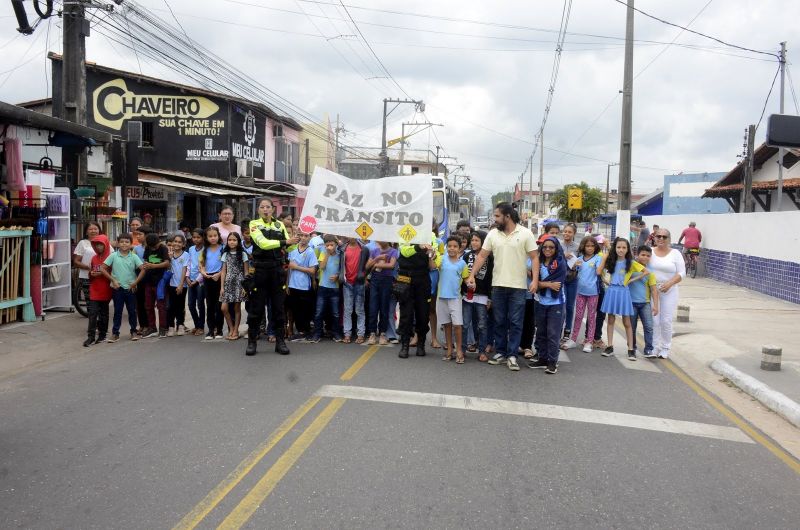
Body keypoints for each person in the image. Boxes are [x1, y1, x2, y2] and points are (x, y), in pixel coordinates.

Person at [466, 202, 538, 372]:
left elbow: (534, 257)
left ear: (507, 216)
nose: (495, 219)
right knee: (498, 321)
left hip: (518, 287)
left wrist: (534, 280)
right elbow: (482, 256)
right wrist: (471, 275)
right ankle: (501, 353)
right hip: (497, 286)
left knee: (515, 322)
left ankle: (512, 355)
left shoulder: (526, 233)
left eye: (497, 216)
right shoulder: (492, 234)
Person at [245, 198, 296, 356]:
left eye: (268, 207)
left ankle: (280, 341)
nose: (265, 209)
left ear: (273, 209)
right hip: (260, 270)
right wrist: (285, 241)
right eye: (262, 207)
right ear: (258, 210)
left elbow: (289, 248)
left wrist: (295, 239)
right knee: (257, 308)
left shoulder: (279, 225)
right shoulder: (254, 224)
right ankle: (252, 341)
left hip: (277, 270)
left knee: (279, 308)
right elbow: (263, 243)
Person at [599, 238, 643, 361]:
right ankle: (610, 346)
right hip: (612, 291)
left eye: (624, 247)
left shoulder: (631, 262)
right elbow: (599, 271)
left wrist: (630, 280)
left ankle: (630, 349)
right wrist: (604, 280)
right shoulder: (611, 261)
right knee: (611, 320)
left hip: (624, 292)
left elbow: (646, 272)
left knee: (627, 322)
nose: (621, 250)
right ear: (615, 248)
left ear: (628, 249)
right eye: (618, 247)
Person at [528, 235, 566, 374]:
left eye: (551, 247)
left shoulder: (561, 263)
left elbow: (558, 285)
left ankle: (552, 362)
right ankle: (542, 358)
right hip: (541, 301)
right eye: (545, 247)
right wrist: (547, 284)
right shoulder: (537, 262)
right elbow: (534, 283)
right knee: (541, 332)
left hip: (556, 303)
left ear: (556, 249)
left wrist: (540, 284)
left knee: (553, 334)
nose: (547, 249)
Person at [397, 230, 438, 359]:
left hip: (422, 277)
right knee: (406, 313)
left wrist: (431, 253)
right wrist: (418, 246)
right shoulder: (405, 231)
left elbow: (434, 254)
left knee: (423, 313)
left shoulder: (430, 235)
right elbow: (404, 251)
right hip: (405, 277)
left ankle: (421, 344)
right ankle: (405, 345)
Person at [562, 235, 603, 353]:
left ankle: (589, 341)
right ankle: (573, 339)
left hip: (593, 293)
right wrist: (574, 267)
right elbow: (574, 272)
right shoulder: (579, 258)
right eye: (587, 246)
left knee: (591, 317)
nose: (589, 248)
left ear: (595, 247)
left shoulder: (597, 258)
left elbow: (598, 272)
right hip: (580, 292)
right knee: (578, 316)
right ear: (583, 247)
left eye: (592, 246)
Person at [649, 228, 685, 359]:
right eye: (659, 236)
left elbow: (682, 273)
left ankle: (665, 347)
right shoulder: (650, 252)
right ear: (654, 237)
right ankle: (654, 347)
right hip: (653, 291)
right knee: (655, 320)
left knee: (666, 320)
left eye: (664, 237)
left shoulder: (675, 253)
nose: (661, 239)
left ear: (669, 239)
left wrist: (670, 283)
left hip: (670, 291)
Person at [101, 233, 143, 342]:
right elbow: (102, 268)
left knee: (132, 311)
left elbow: (143, 269)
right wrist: (113, 280)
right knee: (117, 311)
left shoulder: (133, 256)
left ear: (131, 244)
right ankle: (115, 333)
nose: (124, 244)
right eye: (122, 242)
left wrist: (135, 282)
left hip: (130, 289)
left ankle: (133, 331)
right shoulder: (114, 255)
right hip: (117, 288)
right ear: (118, 243)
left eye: (127, 242)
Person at [435, 236, 470, 363]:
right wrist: (431, 255)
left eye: (455, 246)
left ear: (459, 248)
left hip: (455, 298)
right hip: (442, 297)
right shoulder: (441, 259)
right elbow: (433, 265)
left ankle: (459, 349)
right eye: (449, 246)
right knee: (446, 325)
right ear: (446, 247)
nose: (452, 248)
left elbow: (466, 279)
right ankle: (449, 349)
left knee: (457, 325)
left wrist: (471, 283)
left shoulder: (462, 264)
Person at [462, 231, 492, 362]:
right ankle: (462, 349)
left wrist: (490, 298)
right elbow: (462, 275)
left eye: (477, 240)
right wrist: (466, 283)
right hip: (466, 295)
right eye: (472, 240)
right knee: (465, 324)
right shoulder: (466, 256)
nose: (474, 242)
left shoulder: (489, 258)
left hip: (483, 295)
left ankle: (482, 350)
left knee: (482, 325)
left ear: (483, 242)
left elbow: (491, 278)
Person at [136, 232, 170, 339]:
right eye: (152, 247)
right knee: (148, 305)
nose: (154, 249)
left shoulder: (163, 248)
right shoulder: (148, 248)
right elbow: (145, 262)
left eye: (155, 246)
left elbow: (167, 263)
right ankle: (152, 327)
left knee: (161, 306)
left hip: (160, 281)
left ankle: (163, 328)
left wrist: (153, 266)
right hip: (148, 281)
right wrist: (146, 266)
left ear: (158, 242)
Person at [311, 234, 343, 343]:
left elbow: (342, 270)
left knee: (335, 313)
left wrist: (337, 276)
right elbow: (321, 267)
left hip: (335, 288)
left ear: (336, 245)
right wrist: (328, 254)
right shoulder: (323, 253)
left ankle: (336, 333)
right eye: (327, 245)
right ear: (325, 245)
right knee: (319, 312)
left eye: (332, 245)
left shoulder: (340, 255)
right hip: (323, 287)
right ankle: (317, 333)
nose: (330, 246)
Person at [366, 240, 399, 345]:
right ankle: (372, 333)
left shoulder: (393, 251)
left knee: (384, 308)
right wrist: (377, 259)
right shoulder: (375, 251)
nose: (380, 241)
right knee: (373, 307)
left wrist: (375, 265)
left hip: (387, 280)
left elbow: (392, 265)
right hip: (375, 280)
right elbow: (367, 266)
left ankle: (383, 333)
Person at [629, 245, 659, 358]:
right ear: (637, 255)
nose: (645, 257)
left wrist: (656, 305)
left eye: (648, 256)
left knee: (649, 327)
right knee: (631, 327)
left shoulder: (650, 273)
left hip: (645, 303)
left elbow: (654, 290)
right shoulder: (631, 269)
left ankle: (648, 350)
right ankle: (632, 349)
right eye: (643, 255)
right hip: (631, 303)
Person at [286, 232, 318, 342]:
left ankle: (306, 331)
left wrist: (297, 267)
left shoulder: (310, 251)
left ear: (309, 238)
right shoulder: (293, 250)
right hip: (292, 284)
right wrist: (287, 285)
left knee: (305, 310)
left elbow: (312, 270)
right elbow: (290, 268)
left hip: (304, 285)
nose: (303, 238)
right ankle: (300, 331)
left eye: (306, 236)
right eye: (301, 235)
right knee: (295, 309)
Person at [84, 234, 113, 347]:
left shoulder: (111, 257)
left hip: (105, 289)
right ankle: (90, 337)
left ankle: (102, 334)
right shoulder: (94, 258)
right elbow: (91, 273)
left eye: (101, 245)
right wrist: (91, 273)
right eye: (96, 245)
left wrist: (102, 273)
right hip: (94, 288)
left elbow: (113, 274)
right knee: (92, 313)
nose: (99, 247)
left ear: (106, 245)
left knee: (104, 313)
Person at [220, 232, 249, 341]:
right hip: (228, 283)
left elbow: (246, 272)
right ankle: (231, 328)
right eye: (230, 240)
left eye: (234, 240)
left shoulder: (243, 254)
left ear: (238, 241)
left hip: (239, 283)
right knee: (224, 308)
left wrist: (245, 287)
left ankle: (236, 330)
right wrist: (222, 287)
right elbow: (223, 271)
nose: (232, 242)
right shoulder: (225, 254)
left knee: (237, 308)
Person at [341, 236, 369, 344]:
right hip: (347, 282)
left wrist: (365, 277)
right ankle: (347, 334)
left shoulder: (364, 248)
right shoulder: (343, 248)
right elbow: (341, 265)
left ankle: (361, 334)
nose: (350, 237)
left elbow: (368, 264)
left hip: (359, 283)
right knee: (348, 310)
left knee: (359, 310)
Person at [199, 226, 225, 341]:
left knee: (219, 305)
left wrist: (219, 274)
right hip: (208, 278)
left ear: (218, 236)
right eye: (210, 236)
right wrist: (203, 273)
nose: (213, 238)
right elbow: (201, 265)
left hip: (219, 278)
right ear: (206, 238)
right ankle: (210, 330)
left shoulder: (223, 248)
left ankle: (219, 330)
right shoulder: (205, 249)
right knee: (209, 305)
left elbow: (226, 265)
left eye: (215, 235)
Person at [73, 222, 102, 307]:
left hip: (102, 276)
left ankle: (101, 319)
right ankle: (92, 319)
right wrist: (88, 267)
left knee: (102, 301)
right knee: (90, 301)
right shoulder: (83, 243)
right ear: (86, 232)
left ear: (99, 230)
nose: (93, 231)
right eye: (90, 229)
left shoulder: (104, 241)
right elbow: (76, 261)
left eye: (95, 229)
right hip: (86, 276)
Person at [166, 233, 190, 337]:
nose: (177, 244)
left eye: (180, 242)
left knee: (180, 306)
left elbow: (184, 270)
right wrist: (169, 259)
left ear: (183, 244)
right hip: (170, 284)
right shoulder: (169, 254)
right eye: (175, 241)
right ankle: (170, 326)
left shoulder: (186, 255)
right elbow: (167, 269)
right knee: (171, 306)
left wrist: (180, 285)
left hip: (181, 285)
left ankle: (180, 325)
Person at [560, 222, 579, 341]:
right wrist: (563, 255)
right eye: (565, 231)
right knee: (562, 305)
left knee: (570, 306)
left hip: (573, 278)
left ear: (574, 234)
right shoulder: (558, 245)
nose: (566, 234)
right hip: (561, 279)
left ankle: (567, 330)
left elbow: (581, 261)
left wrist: (576, 265)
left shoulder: (577, 247)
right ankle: (559, 328)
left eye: (569, 232)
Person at [186, 229, 205, 336]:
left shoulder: (205, 250)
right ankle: (196, 324)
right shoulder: (191, 249)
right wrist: (187, 276)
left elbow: (204, 267)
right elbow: (189, 263)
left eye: (198, 237)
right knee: (190, 304)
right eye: (194, 237)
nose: (196, 239)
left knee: (200, 304)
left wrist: (197, 280)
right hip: (190, 280)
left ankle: (201, 327)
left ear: (203, 238)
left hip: (200, 282)